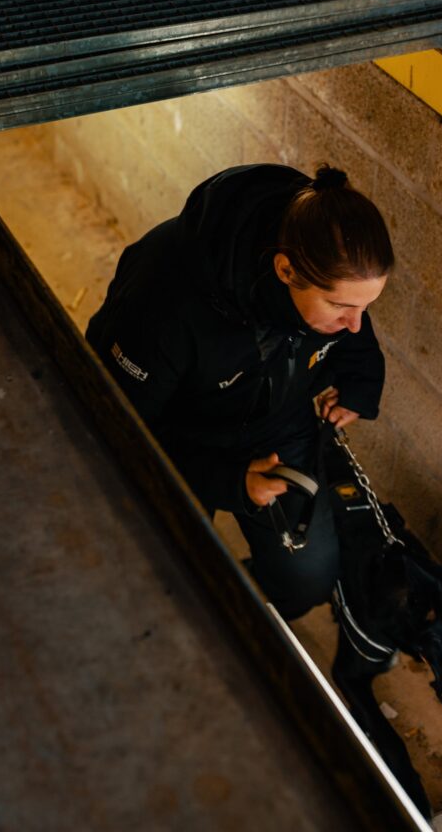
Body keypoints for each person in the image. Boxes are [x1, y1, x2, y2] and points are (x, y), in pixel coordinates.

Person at [86, 162, 393, 620]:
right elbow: (114, 426)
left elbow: (352, 335)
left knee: (307, 579)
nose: (354, 324)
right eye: (342, 307)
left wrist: (360, 383)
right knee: (158, 579)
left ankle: (243, 598)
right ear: (286, 270)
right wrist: (229, 481)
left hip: (277, 426)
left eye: (366, 307)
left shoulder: (327, 280)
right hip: (177, 438)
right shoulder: (162, 298)